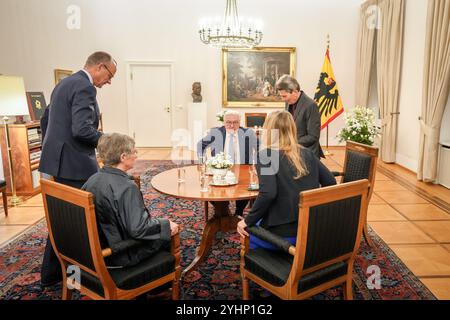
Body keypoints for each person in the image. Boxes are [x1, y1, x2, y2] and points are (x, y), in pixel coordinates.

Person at [39, 51, 117, 287]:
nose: (109, 81)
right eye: (110, 75)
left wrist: (52, 148)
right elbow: (82, 130)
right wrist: (109, 141)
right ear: (99, 67)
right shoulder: (85, 87)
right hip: (75, 165)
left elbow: (45, 119)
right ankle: (82, 277)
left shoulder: (64, 84)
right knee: (81, 220)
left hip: (55, 161)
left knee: (62, 217)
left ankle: (51, 275)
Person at [236, 110, 336, 250]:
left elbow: (268, 193)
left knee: (248, 230)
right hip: (311, 228)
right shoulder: (307, 152)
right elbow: (331, 182)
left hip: (284, 236)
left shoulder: (266, 155)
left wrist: (247, 220)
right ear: (292, 129)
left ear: (268, 130)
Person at [82, 133, 179, 267]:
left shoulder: (92, 179)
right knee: (169, 232)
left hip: (96, 248)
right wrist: (165, 224)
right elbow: (138, 230)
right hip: (120, 254)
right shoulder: (127, 187)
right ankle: (160, 281)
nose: (136, 155)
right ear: (123, 157)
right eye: (134, 151)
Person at [197, 110, 258, 215]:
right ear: (224, 122)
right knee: (211, 189)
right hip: (219, 169)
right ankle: (223, 209)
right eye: (228, 122)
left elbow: (260, 148)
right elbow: (200, 145)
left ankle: (239, 211)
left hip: (242, 169)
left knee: (247, 190)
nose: (231, 125)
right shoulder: (216, 132)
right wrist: (203, 162)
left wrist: (257, 165)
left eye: (235, 122)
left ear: (240, 122)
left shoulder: (248, 133)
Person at [276, 75, 325, 159]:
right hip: (293, 152)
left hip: (307, 154)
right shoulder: (288, 102)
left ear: (295, 92)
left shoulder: (311, 105)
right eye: (281, 96)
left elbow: (313, 136)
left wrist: (289, 143)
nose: (283, 99)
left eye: (284, 96)